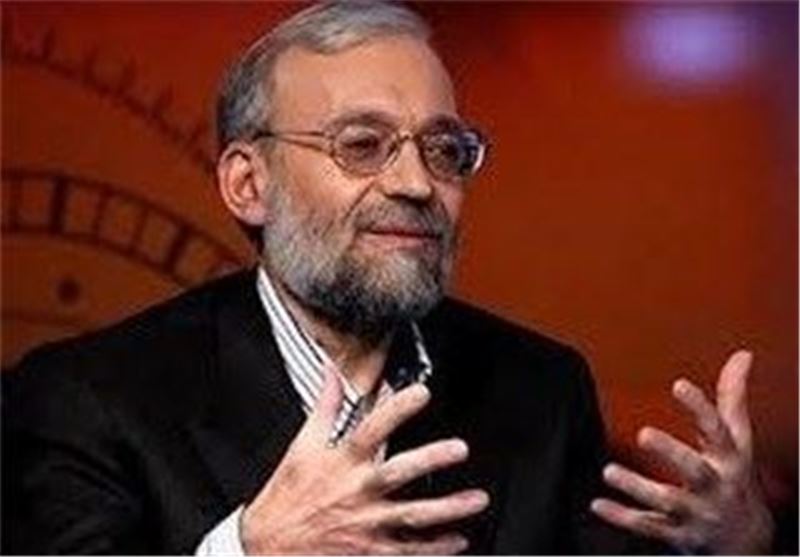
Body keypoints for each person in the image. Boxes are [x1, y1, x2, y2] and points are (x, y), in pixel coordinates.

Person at [1, 2, 776, 554]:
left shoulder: (541, 389)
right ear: (248, 184)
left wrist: (740, 545)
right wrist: (250, 550)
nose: (415, 184)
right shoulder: (89, 399)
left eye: (444, 150)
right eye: (362, 144)